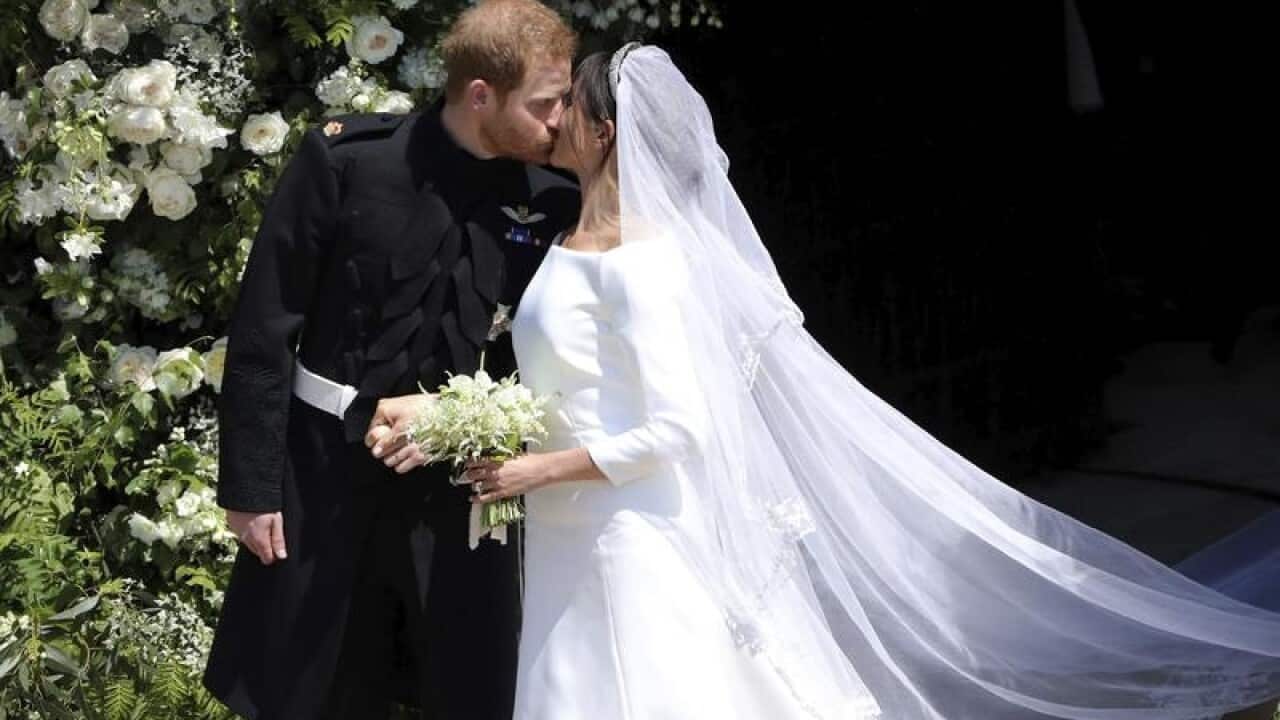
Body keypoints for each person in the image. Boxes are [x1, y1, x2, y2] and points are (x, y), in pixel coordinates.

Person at [374, 44, 1280, 719]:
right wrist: (466, 417)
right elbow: (575, 385)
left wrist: (538, 471)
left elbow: (678, 430)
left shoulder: (642, 263)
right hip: (578, 530)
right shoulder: (574, 239)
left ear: (605, 132)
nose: (552, 117)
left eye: (567, 105)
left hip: (633, 536)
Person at [202, 2, 579, 717]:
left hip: (466, 494)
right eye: (544, 104)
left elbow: (557, 355)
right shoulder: (348, 163)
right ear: (480, 95)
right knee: (313, 685)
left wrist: (469, 417)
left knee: (464, 686)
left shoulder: (555, 202)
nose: (560, 120)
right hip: (324, 477)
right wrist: (250, 490)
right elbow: (263, 327)